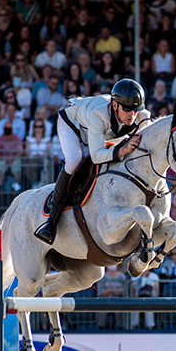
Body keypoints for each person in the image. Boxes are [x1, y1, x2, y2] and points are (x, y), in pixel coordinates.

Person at [34, 78, 150, 245]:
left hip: (101, 133)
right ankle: (51, 221)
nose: (132, 115)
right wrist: (122, 150)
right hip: (72, 124)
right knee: (74, 161)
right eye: (127, 110)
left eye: (136, 110)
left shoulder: (142, 116)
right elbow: (96, 156)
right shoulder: (99, 114)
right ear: (115, 105)